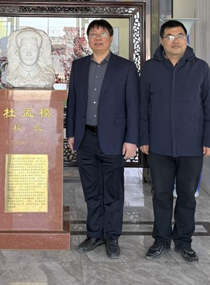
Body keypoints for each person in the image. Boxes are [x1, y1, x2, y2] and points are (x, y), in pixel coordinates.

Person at [139, 20, 210, 263]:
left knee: (187, 196)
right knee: (161, 195)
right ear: (162, 41)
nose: (175, 40)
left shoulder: (200, 68)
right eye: (170, 36)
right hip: (158, 145)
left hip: (192, 145)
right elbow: (142, 106)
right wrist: (143, 138)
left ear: (186, 39)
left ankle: (184, 241)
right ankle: (161, 240)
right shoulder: (150, 68)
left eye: (180, 35)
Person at [66, 19, 139, 259]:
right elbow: (73, 102)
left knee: (113, 191)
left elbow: (133, 106)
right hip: (85, 137)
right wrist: (71, 133)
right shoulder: (79, 66)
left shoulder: (125, 67)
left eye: (102, 34)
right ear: (88, 39)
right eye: (93, 34)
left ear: (110, 38)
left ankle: (112, 236)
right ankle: (94, 234)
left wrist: (131, 140)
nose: (97, 38)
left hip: (114, 139)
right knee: (91, 190)